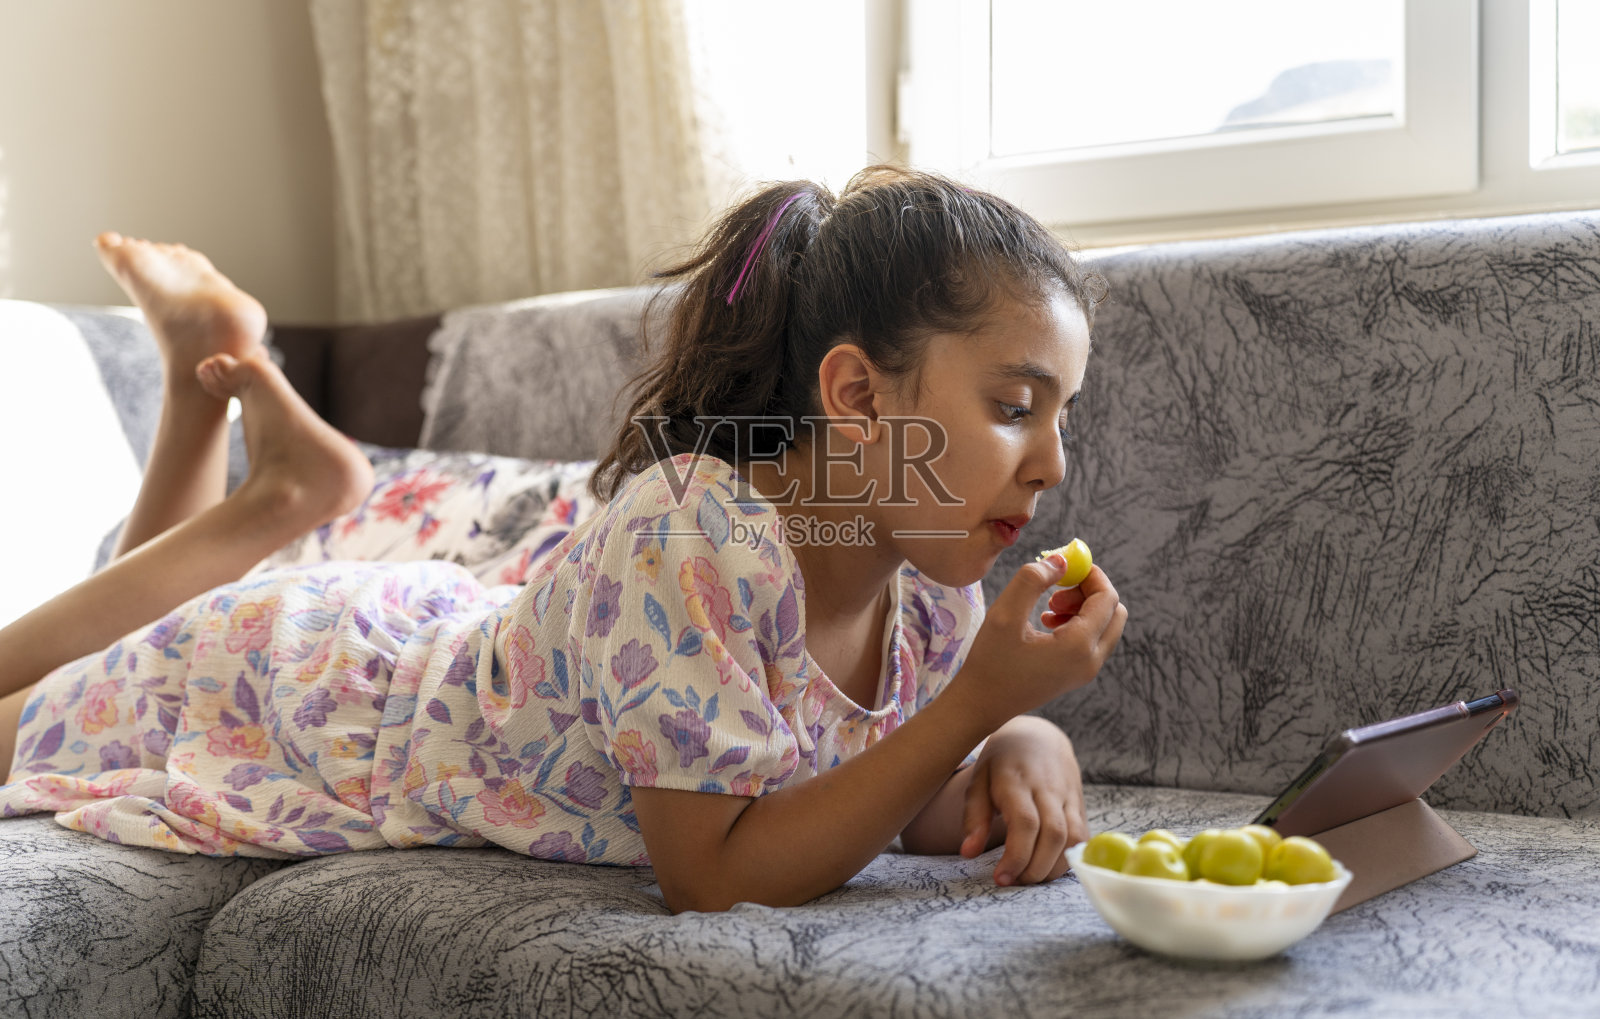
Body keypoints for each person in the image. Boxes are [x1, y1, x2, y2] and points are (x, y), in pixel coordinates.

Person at [0, 166, 1125, 914]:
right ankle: (267, 493)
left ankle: (269, 477)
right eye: (1017, 405)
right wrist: (982, 705)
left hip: (422, 638)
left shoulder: (935, 595)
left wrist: (1016, 743)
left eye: (1060, 413)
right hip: (305, 691)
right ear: (857, 395)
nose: (1053, 461)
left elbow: (860, 793)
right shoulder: (696, 530)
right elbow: (715, 872)